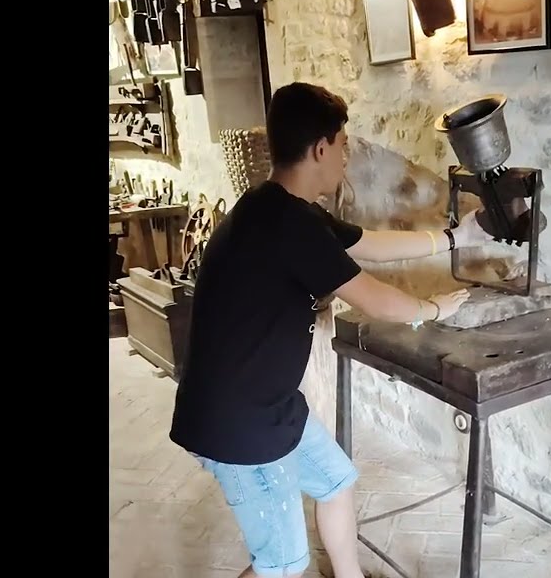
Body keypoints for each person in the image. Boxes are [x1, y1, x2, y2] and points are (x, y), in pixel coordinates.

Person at [169, 82, 491, 578]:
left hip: (264, 407)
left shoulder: (279, 207)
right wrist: (432, 309)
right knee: (282, 564)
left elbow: (367, 244)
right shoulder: (287, 225)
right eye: (343, 145)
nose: (345, 158)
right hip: (238, 424)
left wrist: (453, 238)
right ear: (320, 147)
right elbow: (372, 297)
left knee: (336, 481)